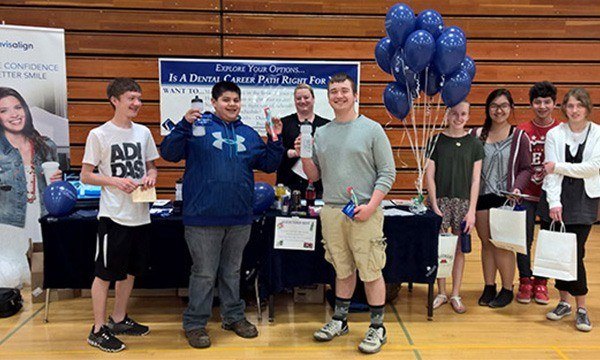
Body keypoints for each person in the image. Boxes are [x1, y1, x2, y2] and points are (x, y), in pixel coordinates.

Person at [160, 81, 284, 349]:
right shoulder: (196, 128)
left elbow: (268, 163)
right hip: (202, 217)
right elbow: (168, 152)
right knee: (204, 274)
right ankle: (195, 324)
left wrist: (275, 138)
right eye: (226, 100)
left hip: (239, 217)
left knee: (232, 272)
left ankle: (234, 317)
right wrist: (183, 124)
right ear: (214, 102)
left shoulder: (249, 134)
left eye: (236, 100)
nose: (232, 104)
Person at [297, 73, 396, 354]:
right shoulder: (322, 133)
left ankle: (378, 327)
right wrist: (305, 155)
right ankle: (340, 320)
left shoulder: (373, 129)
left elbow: (388, 173)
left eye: (344, 91)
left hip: (364, 210)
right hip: (331, 211)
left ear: (355, 95)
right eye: (333, 92)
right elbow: (314, 175)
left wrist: (372, 206)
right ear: (327, 98)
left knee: (371, 269)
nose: (338, 96)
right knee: (342, 267)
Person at [80, 78, 159, 352]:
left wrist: (150, 177)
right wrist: (115, 181)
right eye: (131, 98)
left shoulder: (144, 133)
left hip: (140, 214)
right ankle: (98, 329)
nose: (137, 103)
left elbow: (152, 168)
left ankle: (119, 318)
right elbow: (86, 175)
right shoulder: (99, 135)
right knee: (104, 274)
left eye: (139, 98)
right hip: (114, 216)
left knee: (130, 272)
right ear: (115, 100)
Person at [539, 88, 599, 332]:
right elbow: (549, 174)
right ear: (564, 108)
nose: (574, 110)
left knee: (577, 253)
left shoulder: (597, 134)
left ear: (587, 108)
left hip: (584, 198)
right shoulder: (554, 134)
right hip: (557, 199)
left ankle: (581, 308)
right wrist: (554, 202)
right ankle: (563, 302)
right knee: (558, 253)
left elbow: (593, 167)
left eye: (579, 106)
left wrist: (558, 167)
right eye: (570, 106)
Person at [472, 89, 532, 308]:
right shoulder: (475, 135)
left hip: (506, 200)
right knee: (486, 244)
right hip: (481, 198)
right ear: (488, 109)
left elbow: (526, 168)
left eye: (504, 106)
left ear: (511, 108)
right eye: (494, 106)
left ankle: (507, 288)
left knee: (503, 246)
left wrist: (517, 188)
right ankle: (489, 286)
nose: (499, 110)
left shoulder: (519, 137)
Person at [0, 87, 61, 288]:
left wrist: (58, 181)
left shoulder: (46, 145)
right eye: (4, 110)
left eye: (17, 107)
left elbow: (59, 188)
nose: (14, 114)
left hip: (41, 217)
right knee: (10, 280)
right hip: (9, 224)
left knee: (42, 279)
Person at [426, 101, 483, 314]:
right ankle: (441, 291)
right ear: (448, 115)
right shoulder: (435, 141)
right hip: (440, 201)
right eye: (455, 113)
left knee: (460, 248)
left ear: (468, 116)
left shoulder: (475, 145)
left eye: (463, 114)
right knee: (441, 248)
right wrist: (433, 203)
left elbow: (476, 180)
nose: (459, 118)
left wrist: (471, 211)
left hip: (463, 203)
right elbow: (429, 175)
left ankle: (455, 293)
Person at [515, 81, 560, 305]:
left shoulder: (561, 130)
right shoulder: (522, 130)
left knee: (548, 239)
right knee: (523, 239)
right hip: (526, 193)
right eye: (537, 102)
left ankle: (542, 282)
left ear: (554, 103)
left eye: (547, 102)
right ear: (532, 104)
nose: (542, 106)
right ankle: (525, 279)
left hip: (552, 196)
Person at [276, 83, 329, 196]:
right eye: (298, 98)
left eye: (306, 97)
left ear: (313, 99)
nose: (302, 101)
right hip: (287, 184)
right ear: (294, 101)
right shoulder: (283, 123)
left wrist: (311, 151)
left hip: (317, 187)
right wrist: (294, 153)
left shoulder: (326, 125)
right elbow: (276, 153)